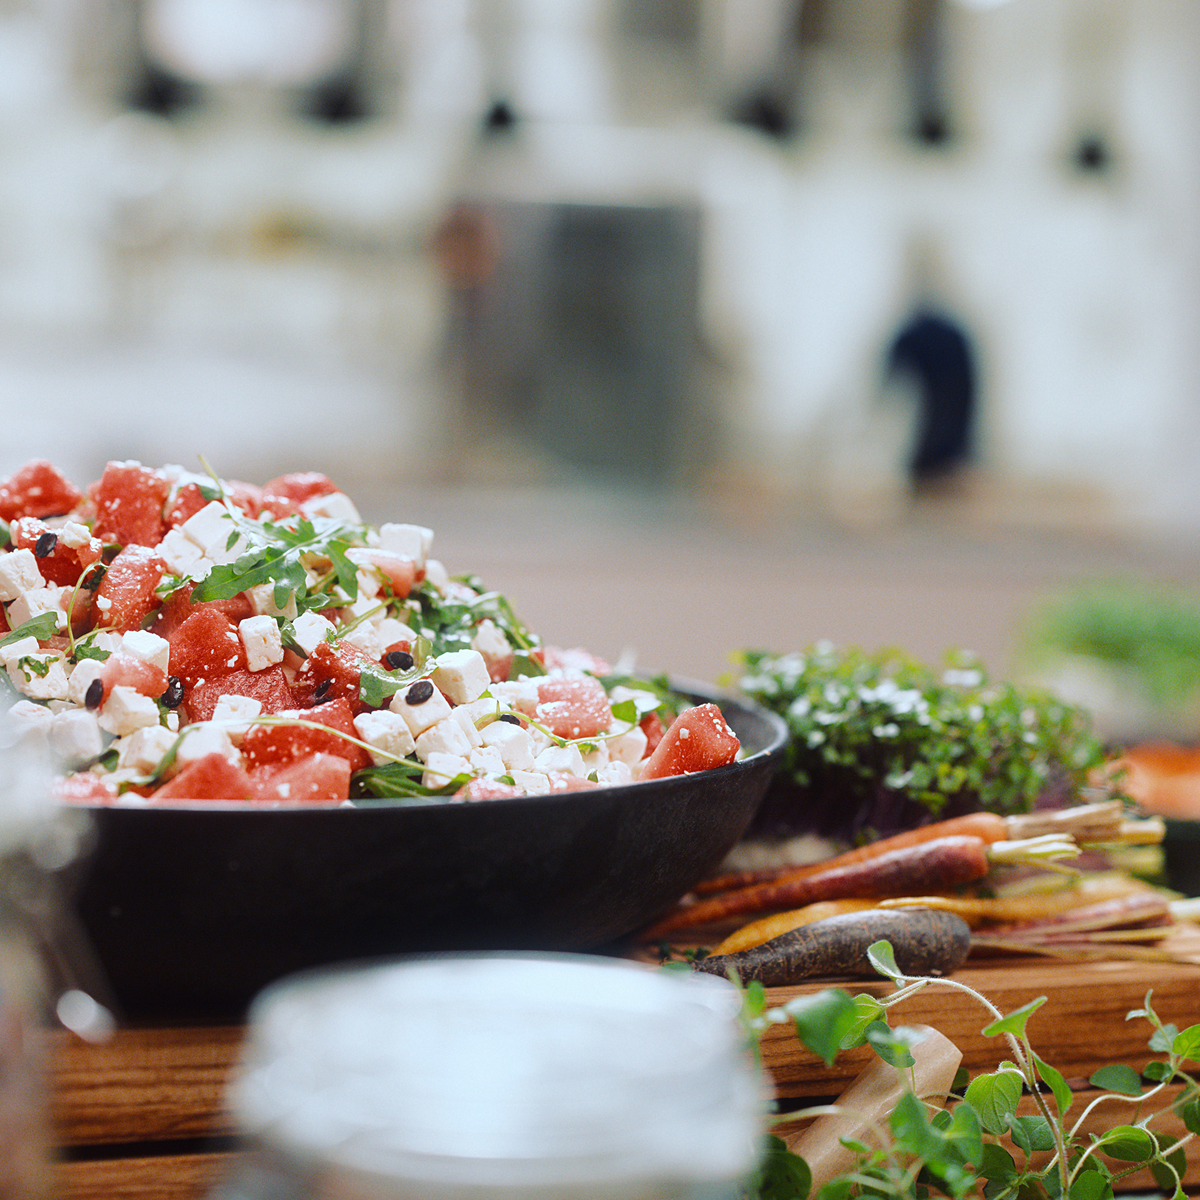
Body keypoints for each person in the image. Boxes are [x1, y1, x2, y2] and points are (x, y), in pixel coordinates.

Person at [885, 307, 976, 493]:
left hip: (942, 454)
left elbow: (890, 377)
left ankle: (936, 481)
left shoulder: (919, 339)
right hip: (944, 451)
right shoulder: (950, 340)